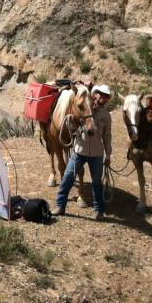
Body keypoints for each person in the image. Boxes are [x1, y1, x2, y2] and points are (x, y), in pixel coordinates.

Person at [54, 84, 113, 220]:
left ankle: (99, 211)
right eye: (100, 95)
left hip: (97, 154)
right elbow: (72, 128)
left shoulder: (106, 116)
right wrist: (69, 121)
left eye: (105, 97)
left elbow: (107, 136)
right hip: (79, 151)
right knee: (68, 178)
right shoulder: (84, 108)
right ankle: (60, 205)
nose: (102, 99)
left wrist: (108, 154)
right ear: (94, 95)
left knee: (97, 183)